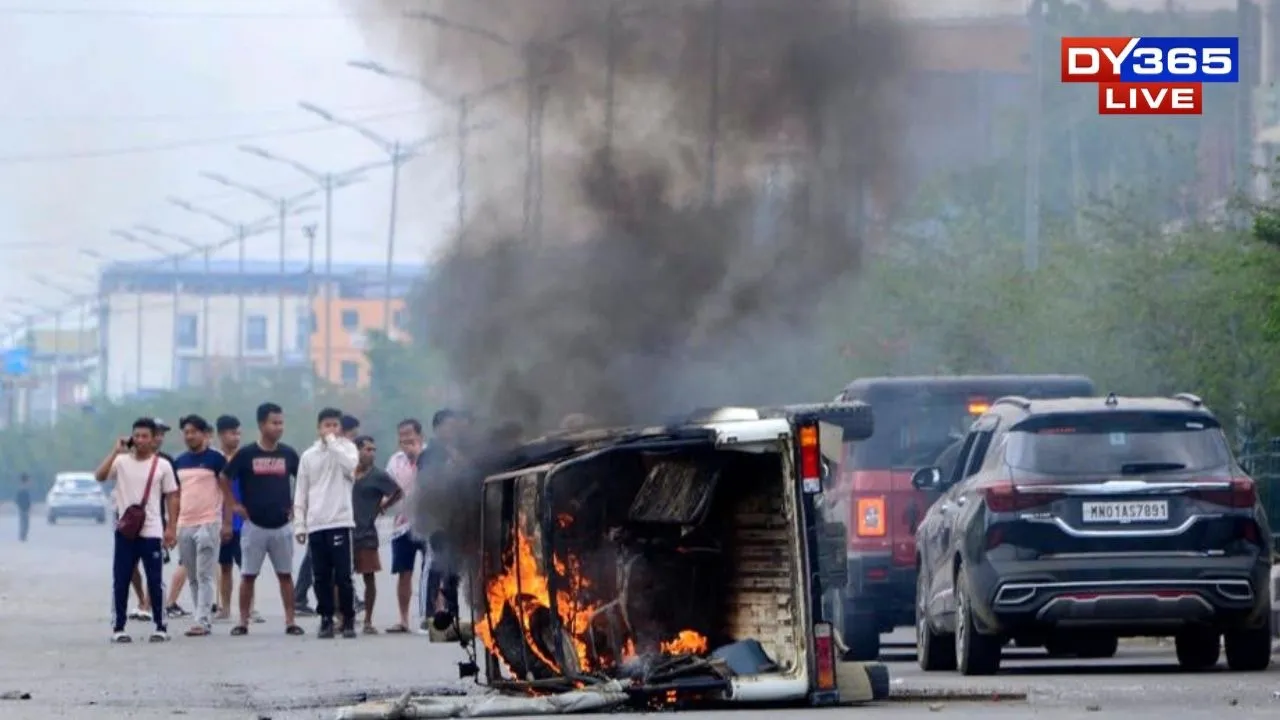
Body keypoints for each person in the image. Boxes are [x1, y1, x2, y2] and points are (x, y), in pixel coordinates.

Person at [221, 402, 304, 636]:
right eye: (274, 423)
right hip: (254, 526)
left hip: (282, 525)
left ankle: (290, 621)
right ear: (261, 424)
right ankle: (243, 621)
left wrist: (297, 505)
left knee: (285, 575)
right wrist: (233, 504)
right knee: (248, 575)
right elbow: (224, 478)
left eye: (281, 423)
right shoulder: (246, 454)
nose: (279, 427)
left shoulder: (288, 454)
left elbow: (303, 480)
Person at [95, 417, 179, 643]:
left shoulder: (163, 465)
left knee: (155, 579)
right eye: (137, 436)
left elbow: (172, 496)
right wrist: (115, 451)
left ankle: (160, 626)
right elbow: (100, 476)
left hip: (152, 531)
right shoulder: (121, 462)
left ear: (153, 440)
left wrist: (171, 527)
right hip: (125, 531)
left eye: (145, 437)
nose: (140, 440)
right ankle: (119, 627)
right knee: (121, 579)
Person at [293, 408, 359, 639]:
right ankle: (325, 618)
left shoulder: (348, 450)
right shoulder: (309, 456)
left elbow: (351, 467)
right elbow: (301, 491)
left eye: (335, 425)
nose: (330, 430)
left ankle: (348, 618)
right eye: (326, 425)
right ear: (319, 428)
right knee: (320, 576)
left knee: (343, 576)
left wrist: (333, 444)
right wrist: (300, 524)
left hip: (340, 521)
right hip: (316, 524)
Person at [171, 415, 231, 636]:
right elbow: (176, 495)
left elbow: (227, 492)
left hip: (208, 522)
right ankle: (200, 615)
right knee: (193, 574)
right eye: (186, 432)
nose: (189, 436)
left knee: (205, 573)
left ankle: (203, 620)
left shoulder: (217, 460)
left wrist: (226, 522)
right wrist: (172, 526)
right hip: (185, 524)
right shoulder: (179, 462)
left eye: (194, 432)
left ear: (205, 434)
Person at [349, 435, 400, 634]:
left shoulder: (378, 475)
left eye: (373, 450)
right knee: (340, 577)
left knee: (368, 577)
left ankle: (368, 620)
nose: (371, 453)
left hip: (367, 532)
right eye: (367, 449)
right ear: (357, 451)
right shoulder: (347, 472)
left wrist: (383, 506)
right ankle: (343, 616)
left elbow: (397, 491)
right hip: (345, 530)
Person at [385, 417, 426, 634]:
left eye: (409, 435)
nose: (406, 440)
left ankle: (433, 615)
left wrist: (418, 457)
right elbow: (390, 488)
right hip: (402, 524)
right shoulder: (395, 461)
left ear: (420, 436)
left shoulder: (430, 456)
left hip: (428, 522)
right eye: (402, 436)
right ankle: (403, 619)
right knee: (404, 572)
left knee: (431, 570)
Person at [14, 473, 32, 542]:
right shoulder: (23, 489)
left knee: (23, 523)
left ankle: (22, 536)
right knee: (25, 523)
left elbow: (17, 500)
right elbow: (19, 499)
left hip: (23, 508)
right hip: (23, 508)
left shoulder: (22, 488)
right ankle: (23, 536)